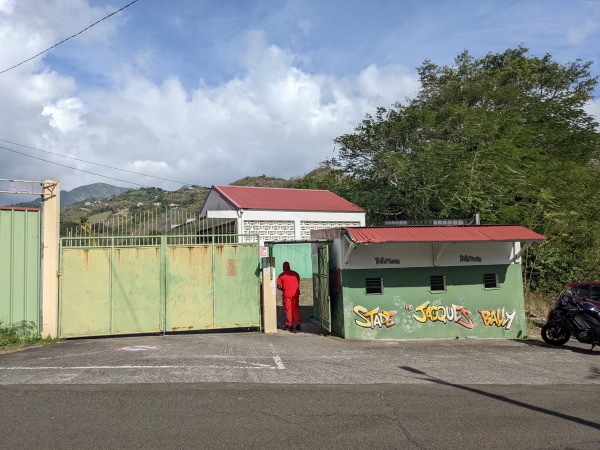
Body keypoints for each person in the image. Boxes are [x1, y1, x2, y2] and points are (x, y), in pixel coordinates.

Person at [277, 261, 301, 331]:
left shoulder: (281, 275)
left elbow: (278, 286)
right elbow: (298, 282)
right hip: (295, 294)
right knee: (295, 309)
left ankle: (289, 325)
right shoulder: (295, 274)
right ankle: (298, 324)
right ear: (289, 266)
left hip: (287, 295)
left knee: (288, 310)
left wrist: (283, 289)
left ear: (283, 267)